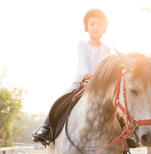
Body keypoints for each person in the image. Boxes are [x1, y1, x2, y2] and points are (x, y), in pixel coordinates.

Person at [32, 9, 111, 146]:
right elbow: (82, 63)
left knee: (114, 103)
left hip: (98, 87)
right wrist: (87, 74)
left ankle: (126, 136)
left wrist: (97, 78)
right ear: (87, 28)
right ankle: (46, 128)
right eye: (92, 24)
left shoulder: (106, 49)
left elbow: (103, 65)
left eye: (99, 25)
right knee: (60, 100)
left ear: (104, 29)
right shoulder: (82, 44)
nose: (95, 28)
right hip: (80, 83)